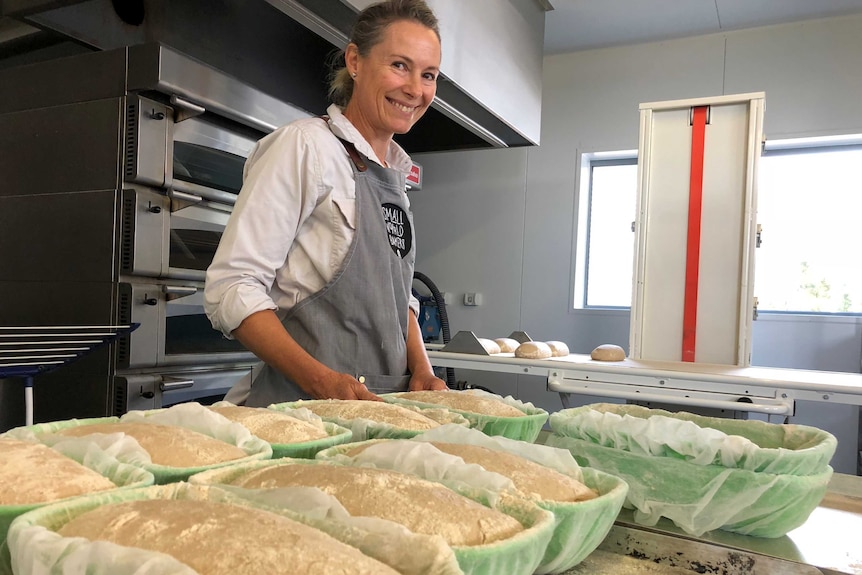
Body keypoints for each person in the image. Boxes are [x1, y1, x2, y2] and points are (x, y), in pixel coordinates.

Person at [204, 0, 448, 406]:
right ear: (355, 60)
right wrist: (322, 383)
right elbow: (232, 288)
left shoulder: (397, 179)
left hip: (379, 414)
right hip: (299, 415)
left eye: (429, 75)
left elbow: (396, 298)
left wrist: (422, 370)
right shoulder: (305, 147)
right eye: (399, 66)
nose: (415, 89)